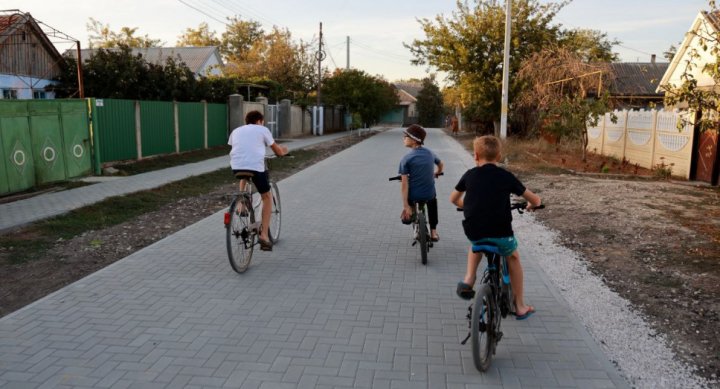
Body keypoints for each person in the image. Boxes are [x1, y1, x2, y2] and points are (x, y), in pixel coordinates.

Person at [449, 135, 541, 320]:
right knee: (513, 257)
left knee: (477, 244)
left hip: (474, 229)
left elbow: (453, 199)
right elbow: (535, 200)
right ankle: (520, 305)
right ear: (498, 157)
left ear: (475, 156)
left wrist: (467, 205)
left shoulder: (469, 175)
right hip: (501, 232)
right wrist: (532, 205)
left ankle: (468, 278)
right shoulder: (505, 176)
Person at [228, 110, 288, 251]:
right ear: (260, 121)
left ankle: (241, 203)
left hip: (236, 166)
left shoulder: (236, 130)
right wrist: (284, 150)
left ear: (246, 121)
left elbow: (240, 148)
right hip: (255, 167)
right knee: (266, 196)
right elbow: (278, 151)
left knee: (244, 175)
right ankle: (264, 235)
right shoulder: (263, 129)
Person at [398, 124, 444, 242]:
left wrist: (405, 206)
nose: (403, 138)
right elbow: (441, 164)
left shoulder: (406, 159)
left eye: (406, 136)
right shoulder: (430, 153)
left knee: (409, 199)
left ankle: (412, 213)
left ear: (414, 140)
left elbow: (404, 185)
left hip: (414, 196)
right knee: (432, 201)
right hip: (428, 194)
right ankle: (433, 232)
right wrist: (437, 172)